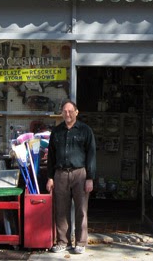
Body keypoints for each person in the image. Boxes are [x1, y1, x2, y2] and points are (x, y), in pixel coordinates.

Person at [46, 100, 96, 254]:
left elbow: (92, 155)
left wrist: (90, 178)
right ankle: (63, 241)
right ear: (61, 113)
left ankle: (80, 242)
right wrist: (50, 177)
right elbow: (51, 157)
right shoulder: (56, 131)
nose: (67, 114)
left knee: (81, 209)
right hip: (60, 174)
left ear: (76, 112)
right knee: (61, 210)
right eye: (64, 111)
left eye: (70, 111)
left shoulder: (85, 131)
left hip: (80, 174)